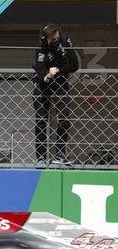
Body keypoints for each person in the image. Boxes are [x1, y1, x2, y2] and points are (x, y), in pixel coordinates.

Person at [32, 24, 79, 166]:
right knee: (41, 120)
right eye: (52, 39)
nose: (56, 41)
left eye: (57, 37)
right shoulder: (40, 48)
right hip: (42, 85)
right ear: (45, 39)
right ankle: (41, 158)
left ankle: (60, 155)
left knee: (64, 118)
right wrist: (47, 76)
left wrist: (57, 70)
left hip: (61, 83)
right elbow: (40, 71)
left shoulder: (65, 41)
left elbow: (74, 65)